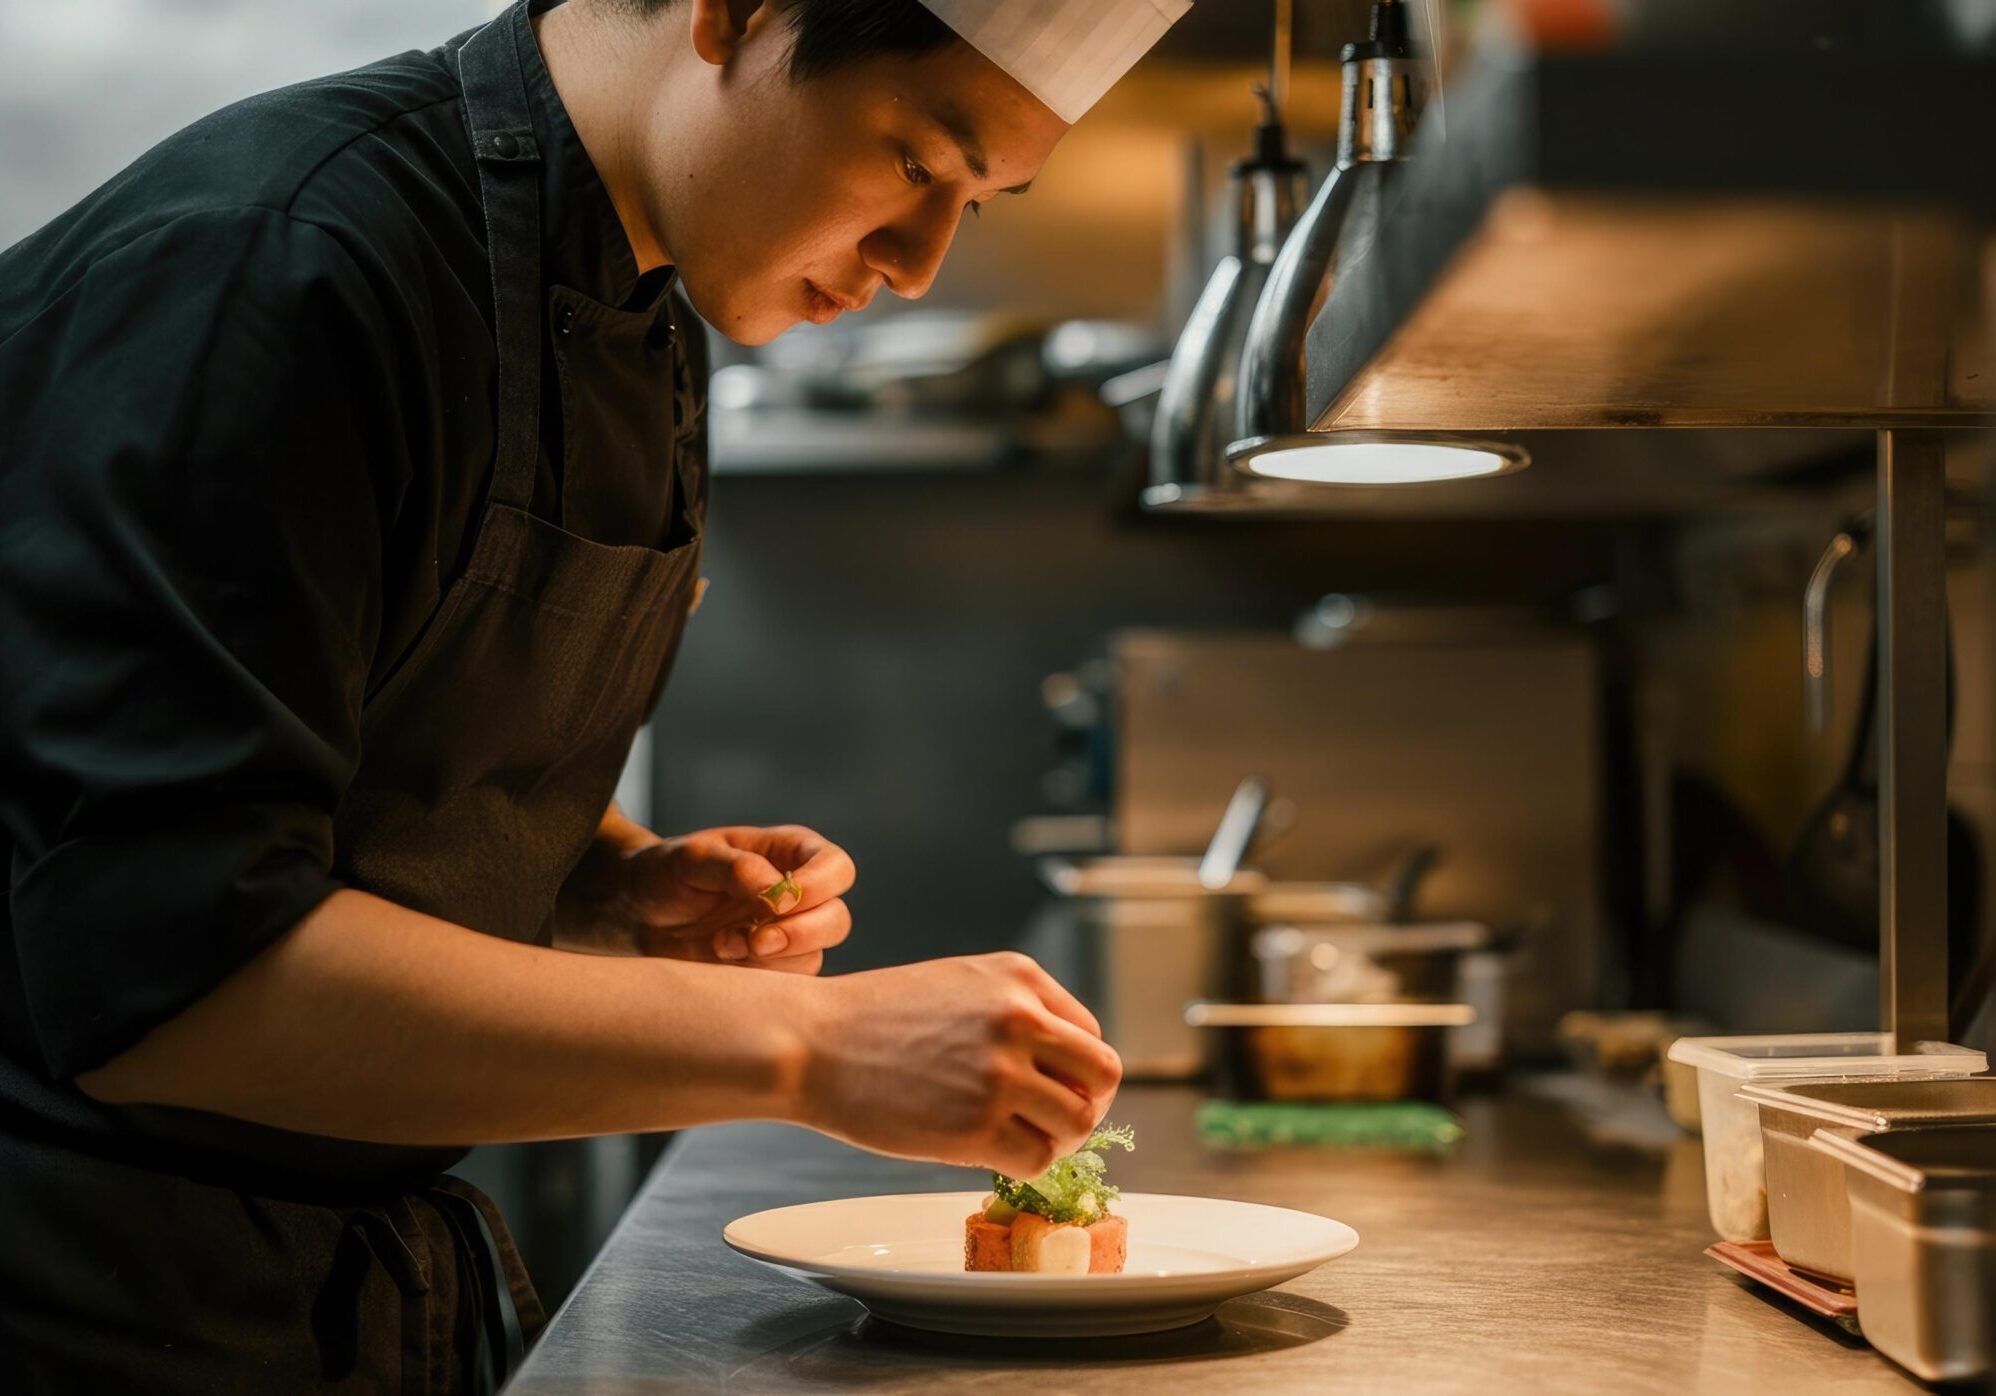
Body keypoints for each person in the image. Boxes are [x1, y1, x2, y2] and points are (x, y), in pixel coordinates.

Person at [0, 0, 1187, 1389]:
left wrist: (600, 880)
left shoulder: (649, 306)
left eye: (976, 209)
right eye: (921, 164)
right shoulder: (284, 263)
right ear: (734, 14)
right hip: (72, 1295)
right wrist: (808, 1044)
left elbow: (342, 763)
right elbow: (173, 979)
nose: (920, 268)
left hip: (306, 1296)